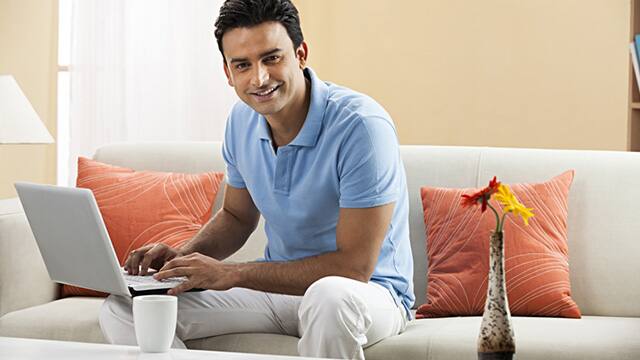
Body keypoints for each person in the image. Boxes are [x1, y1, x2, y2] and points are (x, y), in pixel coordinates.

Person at [99, 0, 414, 358]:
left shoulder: (361, 127)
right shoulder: (241, 121)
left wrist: (233, 273)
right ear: (227, 72)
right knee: (128, 307)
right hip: (278, 294)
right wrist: (182, 260)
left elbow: (354, 267)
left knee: (328, 297)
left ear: (301, 54)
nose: (259, 78)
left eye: (272, 58)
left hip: (368, 295)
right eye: (243, 65)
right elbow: (236, 218)